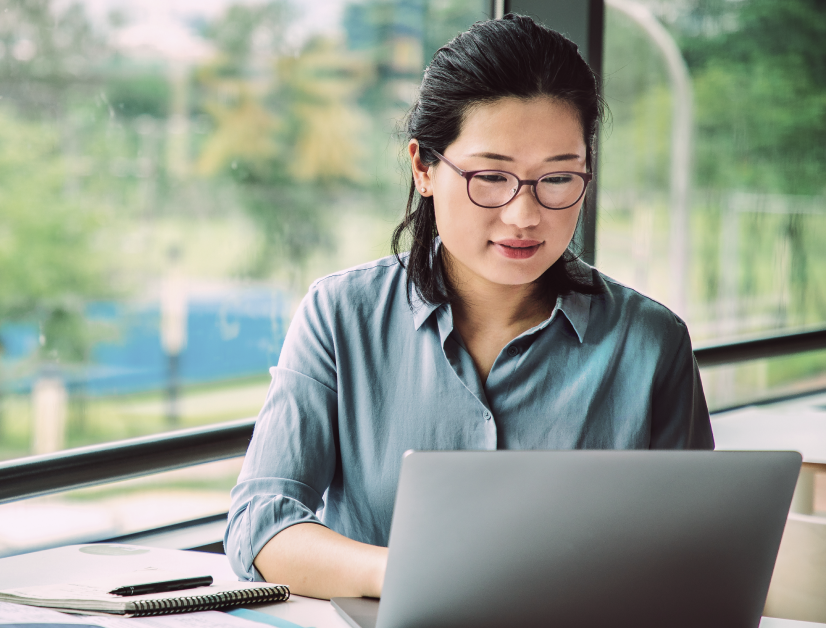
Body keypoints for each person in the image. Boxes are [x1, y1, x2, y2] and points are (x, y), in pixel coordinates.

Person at [225, 14, 714, 599]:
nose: (525, 215)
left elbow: (702, 551)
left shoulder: (651, 342)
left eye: (558, 178)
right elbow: (262, 523)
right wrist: (412, 572)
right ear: (424, 168)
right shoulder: (340, 315)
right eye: (490, 176)